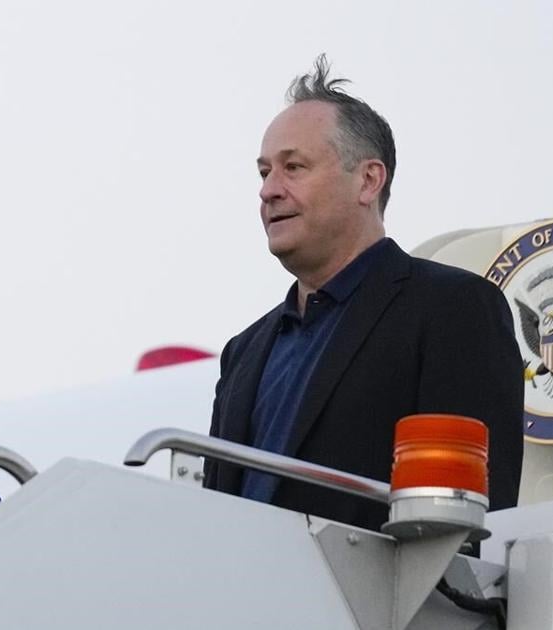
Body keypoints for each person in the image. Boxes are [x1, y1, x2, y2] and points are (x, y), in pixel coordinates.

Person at [204, 56, 523, 532]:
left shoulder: (452, 309)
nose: (269, 190)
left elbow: (474, 526)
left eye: (294, 167)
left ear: (369, 180)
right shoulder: (243, 352)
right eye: (264, 172)